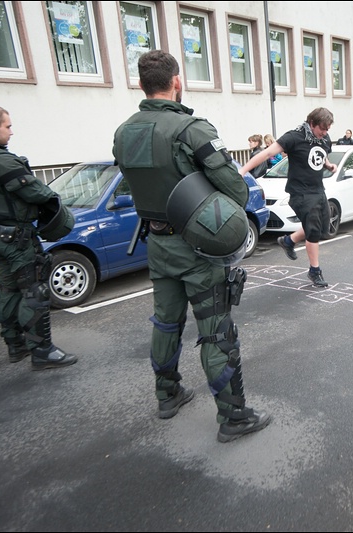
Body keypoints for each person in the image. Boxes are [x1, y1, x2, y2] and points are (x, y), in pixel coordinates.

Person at [112, 50, 271, 441]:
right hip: (197, 245)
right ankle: (234, 418)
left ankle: (168, 395)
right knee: (216, 332)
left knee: (165, 322)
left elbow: (133, 185)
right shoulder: (191, 129)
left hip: (157, 245)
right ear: (177, 81)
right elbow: (235, 188)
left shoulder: (124, 132)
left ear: (141, 84)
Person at [0, 102, 79, 370]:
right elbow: (38, 192)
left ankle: (15, 344)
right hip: (17, 238)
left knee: (8, 289)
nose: (11, 132)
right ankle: (42, 350)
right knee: (35, 291)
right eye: (8, 126)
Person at [239, 108, 337, 288]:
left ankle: (288, 241)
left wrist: (329, 165)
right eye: (322, 129)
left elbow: (321, 156)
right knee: (313, 231)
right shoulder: (294, 137)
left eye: (327, 130)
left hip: (318, 190)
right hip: (300, 192)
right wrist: (243, 171)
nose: (324, 133)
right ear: (312, 123)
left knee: (322, 227)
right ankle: (315, 271)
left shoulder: (324, 139)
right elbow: (267, 154)